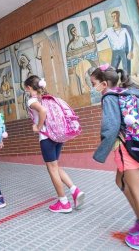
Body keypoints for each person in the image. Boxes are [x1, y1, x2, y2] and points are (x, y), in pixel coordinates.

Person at [90, 64, 139, 251]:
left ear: (104, 83)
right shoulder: (127, 93)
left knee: (138, 193)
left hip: (126, 149)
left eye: (94, 83)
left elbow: (111, 127)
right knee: (119, 181)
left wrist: (101, 152)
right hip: (135, 146)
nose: (93, 87)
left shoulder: (109, 97)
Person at [24, 75, 85, 213]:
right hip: (58, 137)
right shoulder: (48, 97)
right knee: (56, 166)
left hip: (46, 137)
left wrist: (38, 126)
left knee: (51, 169)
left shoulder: (32, 100)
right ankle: (74, 190)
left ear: (28, 87)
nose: (26, 91)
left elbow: (43, 111)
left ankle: (63, 202)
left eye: (26, 89)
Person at [92, 10, 134, 75]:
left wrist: (130, 51)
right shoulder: (108, 30)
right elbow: (98, 40)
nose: (114, 18)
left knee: (126, 70)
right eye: (112, 16)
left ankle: (127, 83)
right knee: (113, 71)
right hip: (115, 52)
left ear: (118, 16)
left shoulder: (126, 28)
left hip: (124, 51)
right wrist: (92, 33)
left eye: (115, 16)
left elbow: (130, 39)